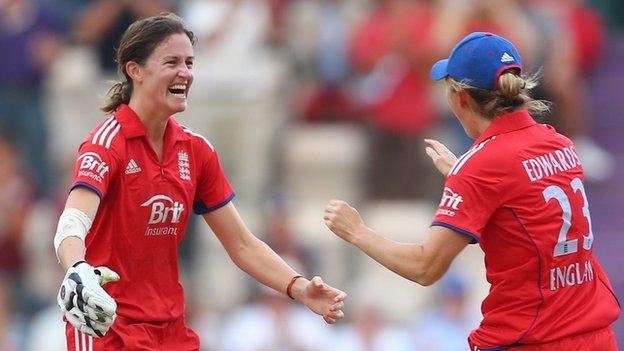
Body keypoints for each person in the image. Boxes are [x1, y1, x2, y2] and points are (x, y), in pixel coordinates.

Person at [53, 13, 346, 350]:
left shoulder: (196, 151)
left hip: (170, 331)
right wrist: (77, 268)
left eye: (189, 62)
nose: (186, 73)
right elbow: (72, 222)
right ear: (135, 70)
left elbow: (242, 244)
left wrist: (299, 287)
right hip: (107, 329)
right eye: (172, 62)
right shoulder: (107, 143)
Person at [324, 32, 620, 350]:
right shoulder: (560, 143)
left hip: (528, 338)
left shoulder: (481, 167)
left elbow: (425, 268)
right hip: (595, 337)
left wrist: (357, 232)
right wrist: (464, 176)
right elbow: (526, 209)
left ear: (461, 98)